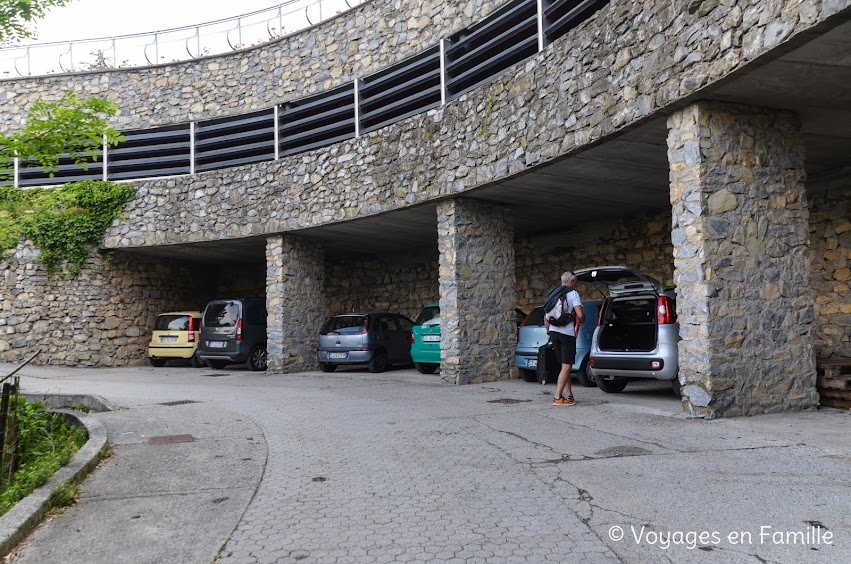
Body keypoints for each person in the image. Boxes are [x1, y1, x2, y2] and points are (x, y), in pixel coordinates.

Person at [543, 271, 585, 406]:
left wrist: (549, 332)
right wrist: (582, 319)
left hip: (554, 333)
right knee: (567, 366)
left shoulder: (552, 294)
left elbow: (546, 317)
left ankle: (570, 395)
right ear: (572, 281)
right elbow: (579, 314)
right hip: (567, 334)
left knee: (564, 366)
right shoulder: (573, 293)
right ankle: (557, 397)